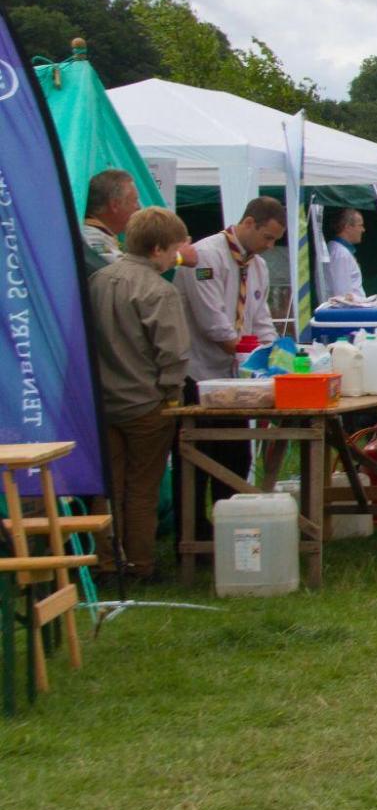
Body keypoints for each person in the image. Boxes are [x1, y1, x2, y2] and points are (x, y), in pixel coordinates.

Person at [89, 207, 192, 581]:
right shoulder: (159, 290)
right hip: (146, 404)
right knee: (142, 488)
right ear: (158, 248)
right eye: (174, 250)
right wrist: (172, 395)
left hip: (102, 403)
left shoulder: (97, 280)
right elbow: (173, 353)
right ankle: (139, 565)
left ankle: (104, 563)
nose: (176, 257)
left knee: (107, 487)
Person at [176, 196, 285, 541]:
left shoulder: (257, 267)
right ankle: (191, 537)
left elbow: (262, 321)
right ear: (248, 223)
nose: (269, 247)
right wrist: (251, 355)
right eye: (267, 238)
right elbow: (215, 326)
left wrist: (278, 362)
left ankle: (230, 532)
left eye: (274, 241)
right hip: (198, 374)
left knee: (234, 458)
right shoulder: (204, 257)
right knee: (196, 462)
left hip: (235, 380)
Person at [80, 169, 141, 275]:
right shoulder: (92, 238)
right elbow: (129, 274)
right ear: (115, 205)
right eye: (135, 201)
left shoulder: (97, 235)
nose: (139, 208)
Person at [321, 208, 367, 300]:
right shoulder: (340, 253)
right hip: (349, 311)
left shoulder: (337, 250)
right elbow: (343, 295)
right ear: (348, 227)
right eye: (360, 225)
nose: (363, 230)